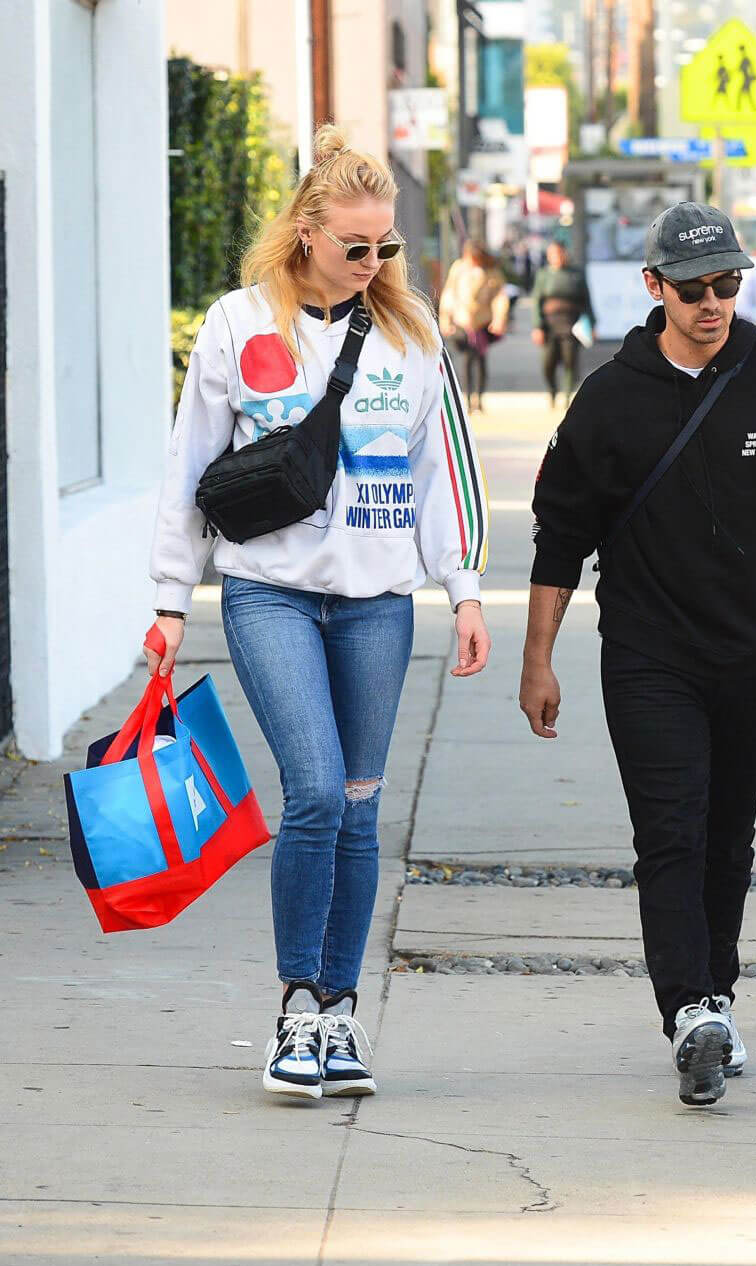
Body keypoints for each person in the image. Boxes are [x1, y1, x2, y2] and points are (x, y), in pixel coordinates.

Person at [148, 125, 491, 1102]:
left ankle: (342, 1016)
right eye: (356, 245)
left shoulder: (411, 333)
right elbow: (188, 469)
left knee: (358, 805)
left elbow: (441, 475)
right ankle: (297, 1006)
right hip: (270, 594)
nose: (374, 262)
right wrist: (171, 601)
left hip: (379, 605)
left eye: (385, 246)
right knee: (312, 789)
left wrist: (463, 588)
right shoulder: (238, 324)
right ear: (305, 232)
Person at [519, 202, 756, 1108]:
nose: (713, 302)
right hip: (647, 655)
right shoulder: (609, 396)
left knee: (729, 835)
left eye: (727, 283)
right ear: (654, 288)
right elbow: (560, 534)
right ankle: (688, 1012)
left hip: (754, 653)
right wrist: (539, 658)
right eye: (694, 288)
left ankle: (715, 994)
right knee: (670, 831)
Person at [438, 240, 510, 413]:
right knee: (467, 360)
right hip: (462, 321)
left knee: (480, 359)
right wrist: (445, 319)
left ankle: (479, 397)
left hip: (482, 322)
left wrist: (499, 318)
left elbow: (500, 297)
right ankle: (468, 398)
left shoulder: (491, 272)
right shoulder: (458, 268)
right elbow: (449, 293)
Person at [531, 241, 595, 409]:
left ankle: (567, 396)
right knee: (548, 363)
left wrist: (592, 325)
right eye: (553, 254)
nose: (557, 258)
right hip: (549, 325)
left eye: (559, 254)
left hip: (571, 324)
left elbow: (587, 301)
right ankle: (552, 390)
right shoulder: (544, 275)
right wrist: (537, 326)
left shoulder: (576, 274)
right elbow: (537, 300)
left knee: (570, 361)